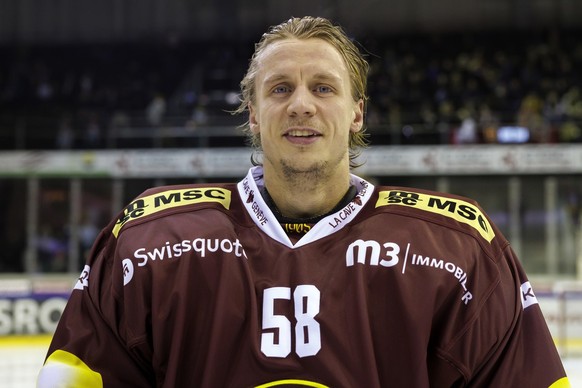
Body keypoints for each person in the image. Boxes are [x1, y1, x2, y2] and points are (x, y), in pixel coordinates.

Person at [37, 16, 570, 387]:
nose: (301, 106)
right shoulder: (147, 241)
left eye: (323, 87)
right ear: (251, 114)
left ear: (357, 113)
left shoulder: (460, 249)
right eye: (279, 89)